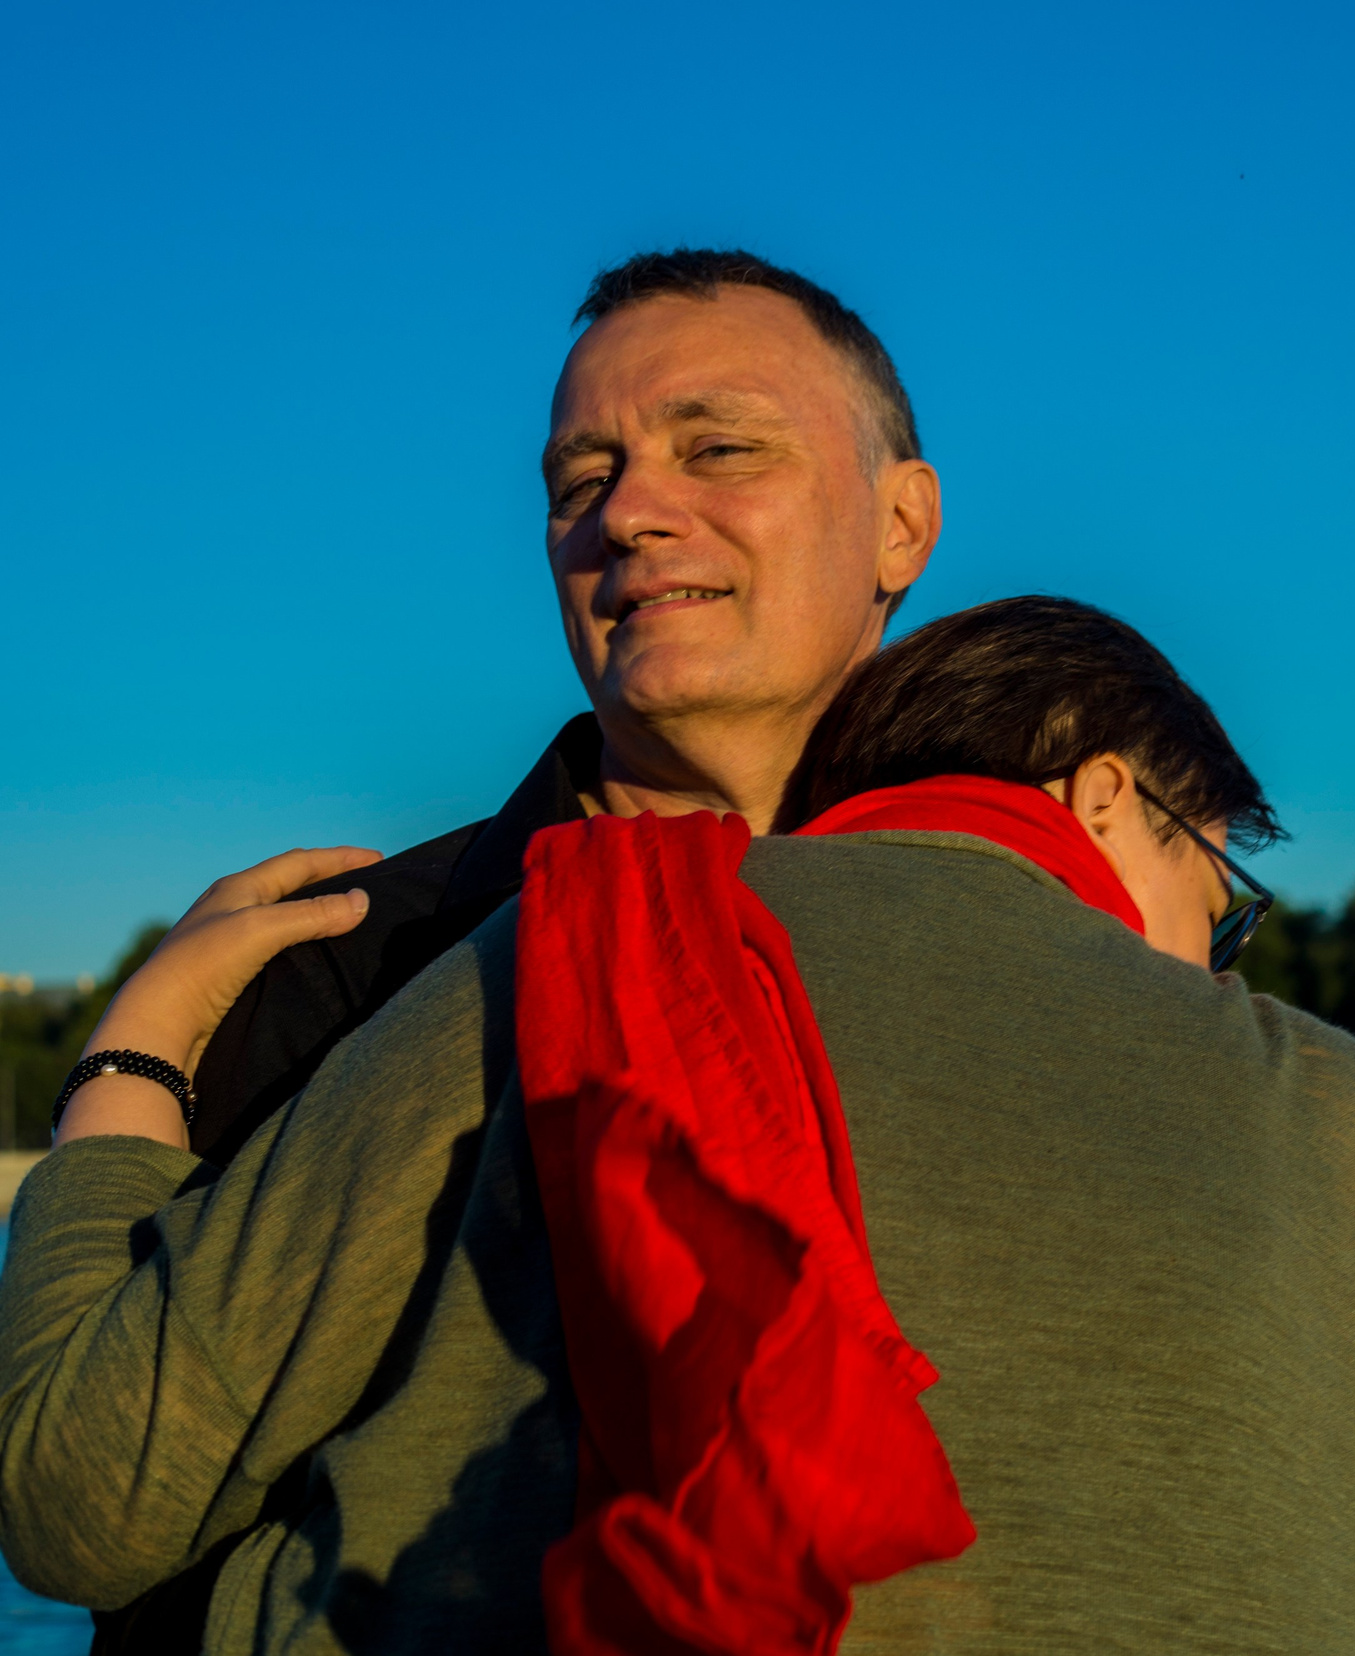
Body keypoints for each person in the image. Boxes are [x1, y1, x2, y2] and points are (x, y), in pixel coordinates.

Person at [2, 596, 1355, 1655]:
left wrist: (144, 1044)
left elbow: (81, 1492)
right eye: (1231, 887)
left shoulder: (567, 962)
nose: (1224, 957)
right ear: (1113, 796)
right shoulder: (1353, 1135)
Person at [69, 244, 943, 1656]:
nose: (634, 513)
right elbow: (126, 1520)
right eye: (578, 482)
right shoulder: (346, 975)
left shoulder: (1045, 958)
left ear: (902, 524)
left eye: (717, 448)